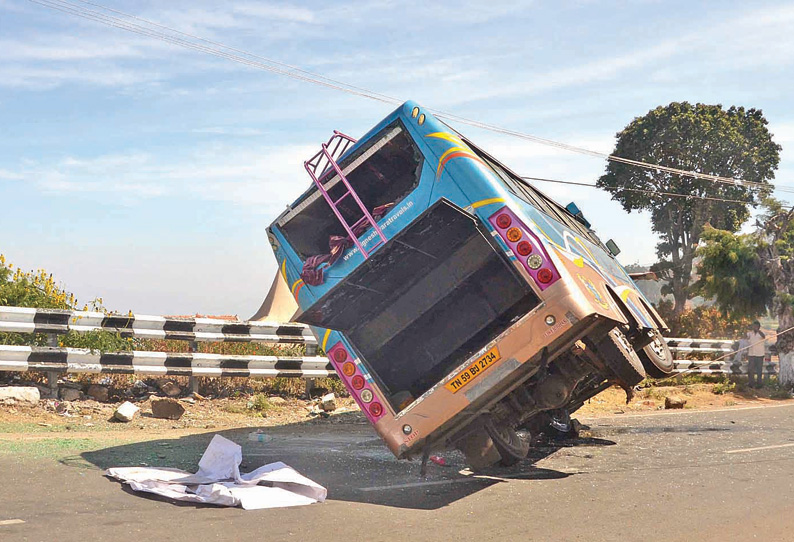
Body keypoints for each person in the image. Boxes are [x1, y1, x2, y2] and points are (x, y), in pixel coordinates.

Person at [746, 321, 766, 389]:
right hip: (751, 354)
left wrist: (758, 331)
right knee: (750, 369)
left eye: (756, 326)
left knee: (759, 370)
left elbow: (764, 336)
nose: (755, 327)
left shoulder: (761, 333)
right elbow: (746, 337)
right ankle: (751, 383)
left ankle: (759, 384)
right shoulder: (749, 333)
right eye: (754, 326)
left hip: (759, 354)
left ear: (758, 327)